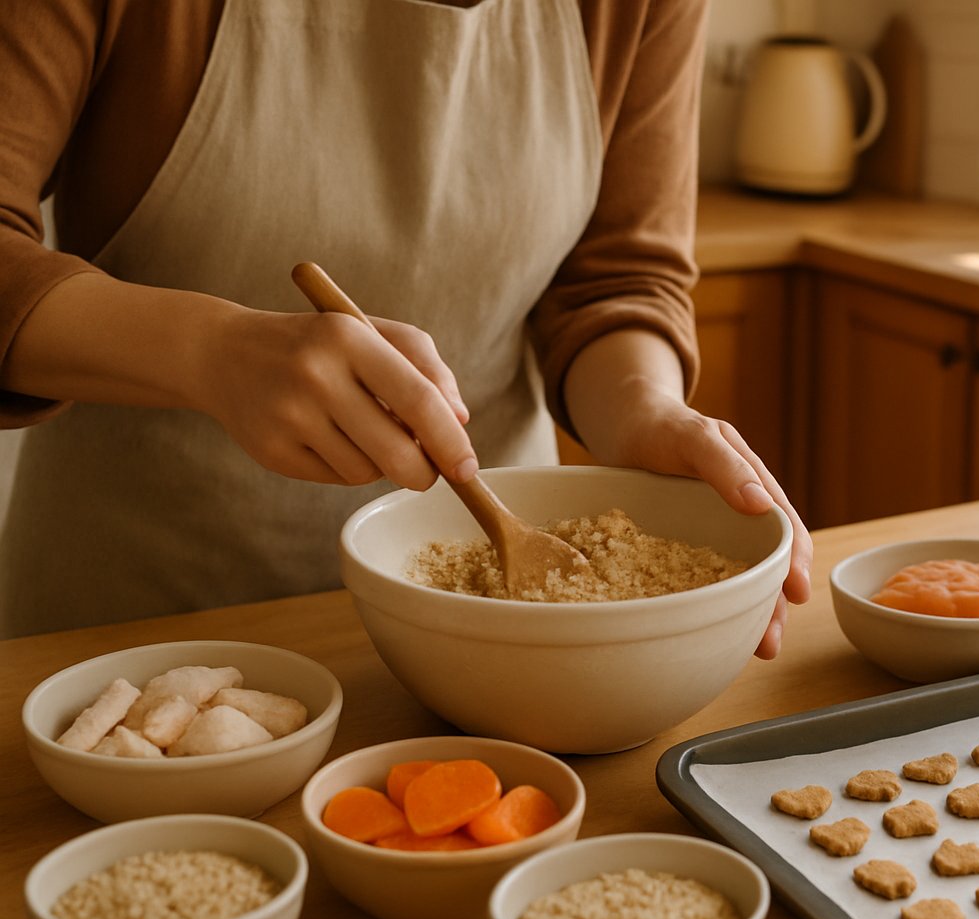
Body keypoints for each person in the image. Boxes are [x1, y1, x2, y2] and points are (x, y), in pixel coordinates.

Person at [0, 0, 812, 652]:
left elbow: (617, 280)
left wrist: (645, 411)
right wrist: (209, 352)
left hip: (498, 638)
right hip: (133, 624)